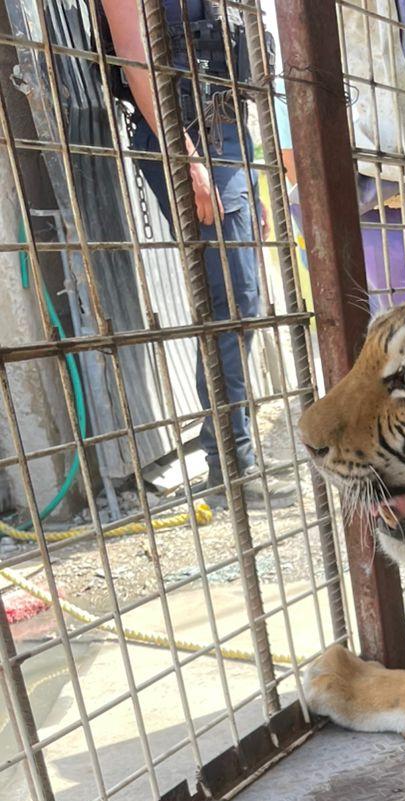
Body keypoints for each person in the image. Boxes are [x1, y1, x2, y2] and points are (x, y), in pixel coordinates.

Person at [99, 0, 294, 507]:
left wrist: (247, 180)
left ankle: (233, 457)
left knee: (240, 303)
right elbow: (135, 57)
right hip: (188, 135)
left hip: (227, 134)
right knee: (230, 305)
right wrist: (184, 158)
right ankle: (232, 467)